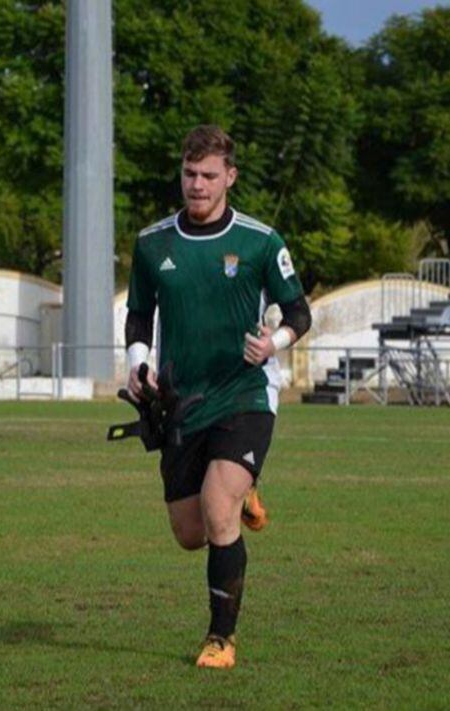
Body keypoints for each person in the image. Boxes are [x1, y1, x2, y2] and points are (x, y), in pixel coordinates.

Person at [124, 125, 311, 669]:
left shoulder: (260, 241)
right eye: (190, 174)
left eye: (209, 175)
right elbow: (139, 315)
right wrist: (138, 363)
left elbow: (299, 312)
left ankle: (220, 639)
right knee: (190, 533)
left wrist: (273, 344)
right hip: (182, 401)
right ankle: (243, 491)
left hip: (244, 393)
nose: (197, 185)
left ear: (230, 176)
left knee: (217, 507)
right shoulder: (152, 243)